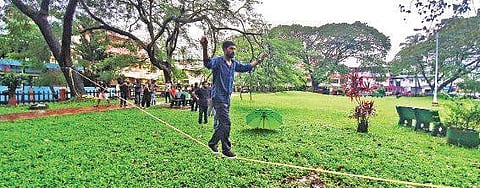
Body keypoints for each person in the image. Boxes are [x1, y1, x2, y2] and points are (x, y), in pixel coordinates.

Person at [200, 36, 267, 158]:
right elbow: (207, 63)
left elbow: (247, 67)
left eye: (234, 49)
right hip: (218, 97)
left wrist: (259, 60)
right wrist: (204, 47)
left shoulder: (234, 64)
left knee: (222, 124)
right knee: (226, 123)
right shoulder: (218, 61)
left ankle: (212, 143)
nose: (233, 51)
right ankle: (226, 149)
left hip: (227, 98)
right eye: (231, 48)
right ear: (225, 49)